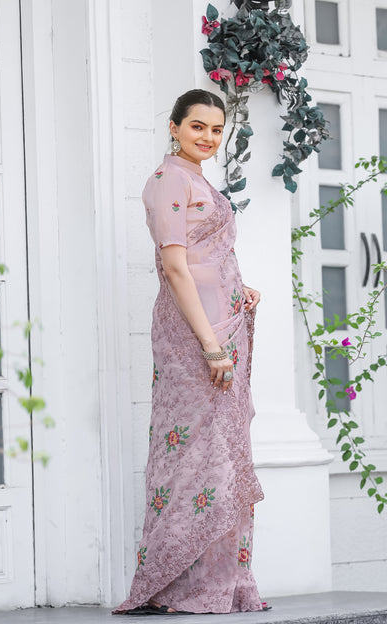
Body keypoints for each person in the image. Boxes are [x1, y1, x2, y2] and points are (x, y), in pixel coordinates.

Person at [113, 89, 267, 616]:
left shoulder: (199, 181)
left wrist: (239, 288)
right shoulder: (167, 183)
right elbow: (177, 268)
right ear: (174, 127)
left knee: (223, 454)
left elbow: (213, 257)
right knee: (192, 455)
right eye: (197, 126)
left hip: (224, 331)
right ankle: (178, 585)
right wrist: (210, 345)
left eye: (216, 129)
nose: (207, 137)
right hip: (195, 340)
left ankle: (223, 584)